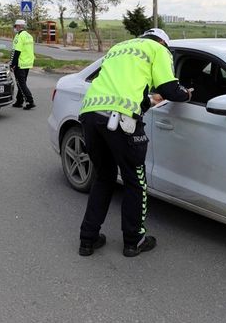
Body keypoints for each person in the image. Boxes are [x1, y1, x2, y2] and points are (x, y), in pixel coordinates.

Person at [78, 28, 192, 258]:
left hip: (90, 115)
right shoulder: (158, 49)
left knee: (103, 177)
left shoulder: (119, 48)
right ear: (162, 42)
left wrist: (149, 100)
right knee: (135, 180)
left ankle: (87, 240)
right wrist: (187, 94)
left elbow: (124, 89)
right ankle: (134, 240)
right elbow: (170, 88)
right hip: (121, 121)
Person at [10, 19, 35, 110]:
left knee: (21, 84)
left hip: (20, 63)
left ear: (19, 26)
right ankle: (19, 101)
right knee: (22, 83)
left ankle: (29, 101)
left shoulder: (19, 36)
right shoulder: (29, 35)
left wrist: (12, 64)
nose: (14, 28)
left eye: (15, 26)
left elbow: (16, 51)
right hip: (27, 63)